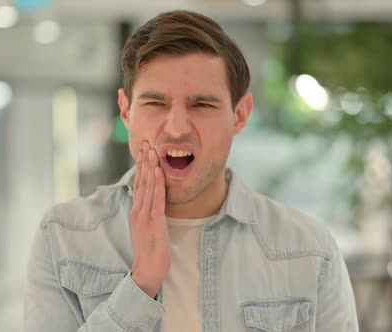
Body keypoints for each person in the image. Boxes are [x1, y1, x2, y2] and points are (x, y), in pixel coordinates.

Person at [24, 9, 358, 332]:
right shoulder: (65, 237)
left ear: (239, 115)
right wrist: (141, 285)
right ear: (126, 112)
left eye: (202, 104)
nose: (177, 127)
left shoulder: (309, 250)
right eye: (156, 103)